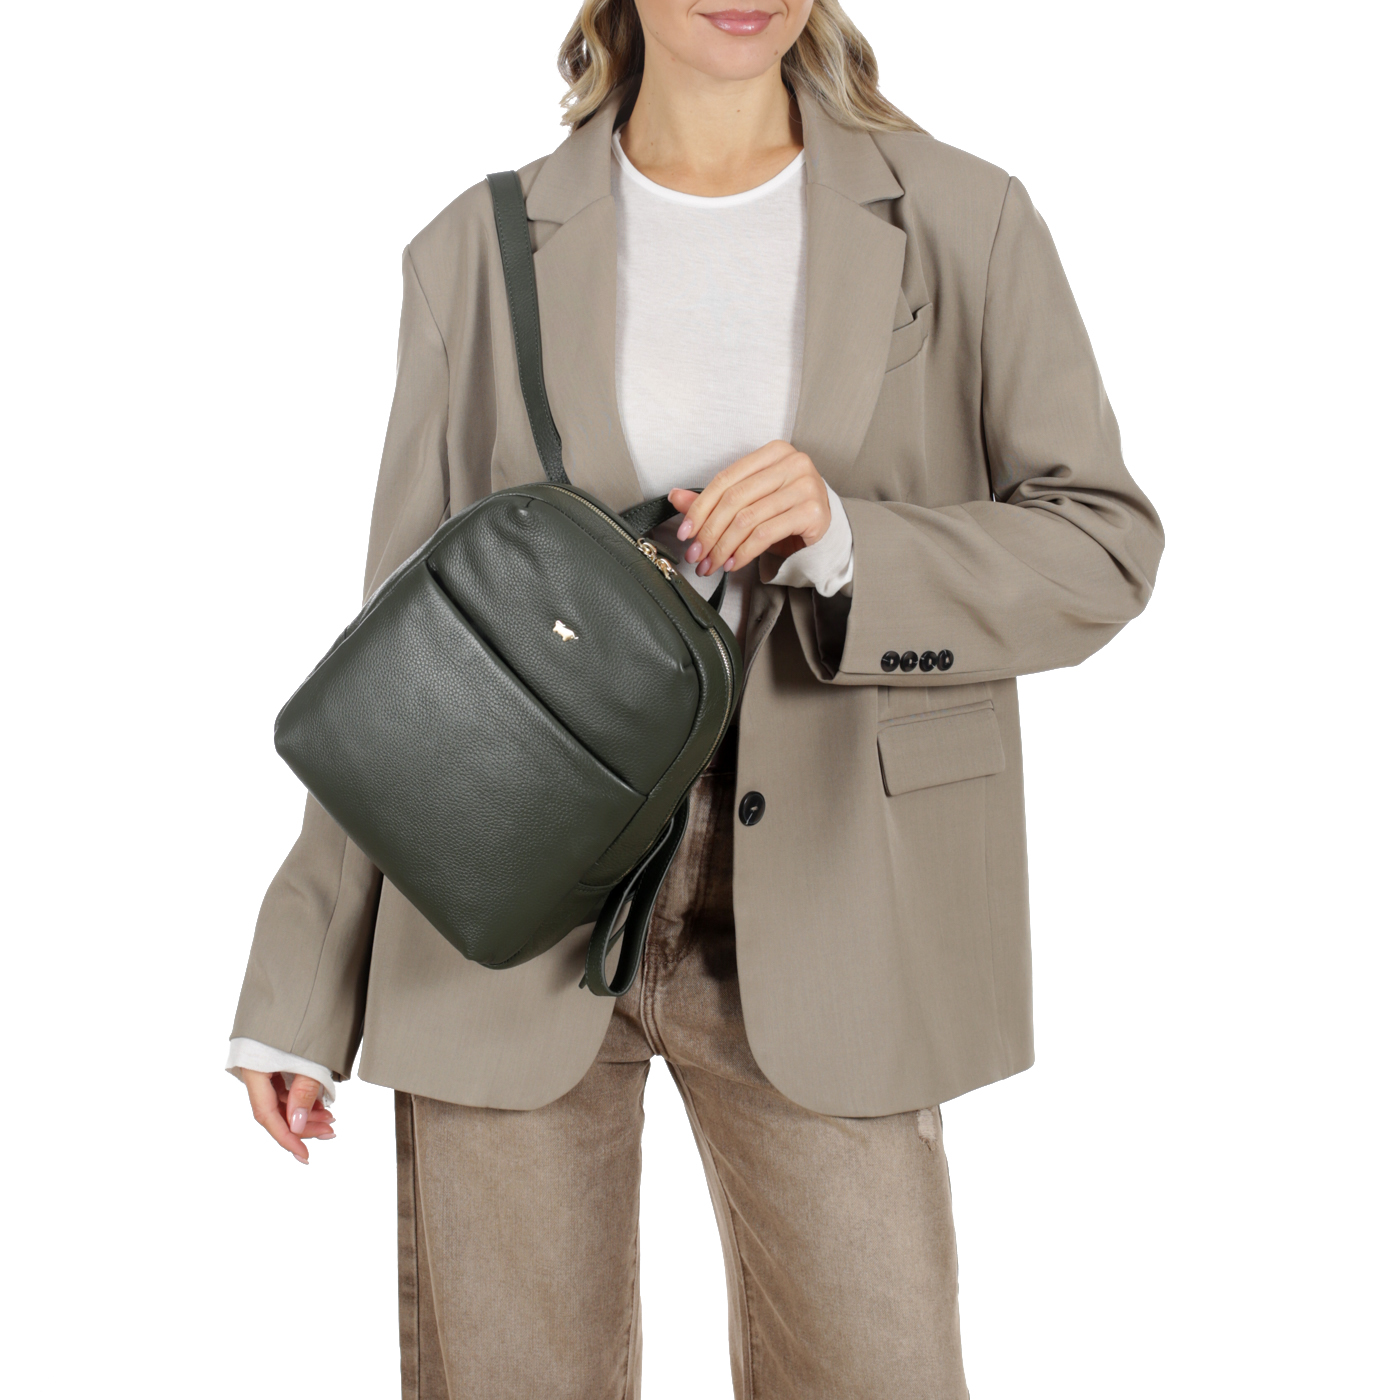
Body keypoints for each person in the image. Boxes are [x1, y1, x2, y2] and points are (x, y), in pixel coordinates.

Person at [227, 2, 1164, 1395]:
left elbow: (1102, 547)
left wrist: (852, 542)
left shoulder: (964, 221)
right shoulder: (479, 251)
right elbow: (404, 664)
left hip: (842, 886)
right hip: (506, 888)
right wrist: (300, 984)